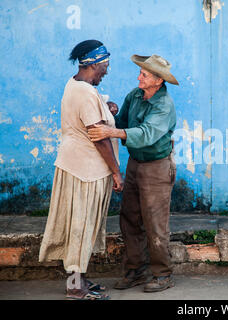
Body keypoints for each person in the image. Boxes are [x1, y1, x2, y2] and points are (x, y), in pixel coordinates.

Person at [39, 40, 124, 300]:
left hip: (79, 167)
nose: (106, 72)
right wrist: (116, 172)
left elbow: (91, 117)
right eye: (105, 66)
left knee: (84, 226)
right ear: (93, 64)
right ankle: (76, 286)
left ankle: (81, 279)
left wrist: (107, 110)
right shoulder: (85, 92)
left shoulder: (77, 86)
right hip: (85, 172)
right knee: (81, 227)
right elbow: (98, 136)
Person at [88, 54, 178, 293]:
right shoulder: (135, 95)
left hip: (157, 167)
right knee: (129, 218)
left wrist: (110, 132)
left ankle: (163, 274)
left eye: (144, 75)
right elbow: (121, 122)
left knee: (155, 223)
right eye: (140, 73)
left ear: (158, 81)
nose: (139, 77)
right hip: (136, 163)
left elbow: (147, 133)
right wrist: (110, 114)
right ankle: (135, 270)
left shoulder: (164, 105)